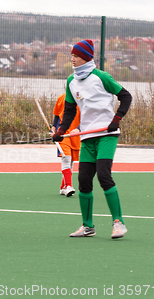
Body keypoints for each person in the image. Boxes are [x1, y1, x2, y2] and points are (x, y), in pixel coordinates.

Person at [52, 39, 132, 239]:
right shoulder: (71, 81)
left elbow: (126, 96)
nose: (72, 59)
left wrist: (117, 118)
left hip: (107, 134)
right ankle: (88, 226)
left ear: (86, 57)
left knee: (104, 176)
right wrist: (61, 130)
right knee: (84, 180)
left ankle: (118, 222)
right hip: (87, 136)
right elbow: (69, 110)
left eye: (76, 56)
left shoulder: (101, 77)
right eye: (72, 55)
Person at [51, 93, 81, 197]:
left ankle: (63, 187)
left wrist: (80, 128)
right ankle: (68, 185)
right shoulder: (61, 98)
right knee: (66, 158)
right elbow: (56, 114)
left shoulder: (83, 98)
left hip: (76, 134)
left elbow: (87, 117)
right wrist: (54, 127)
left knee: (71, 161)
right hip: (62, 134)